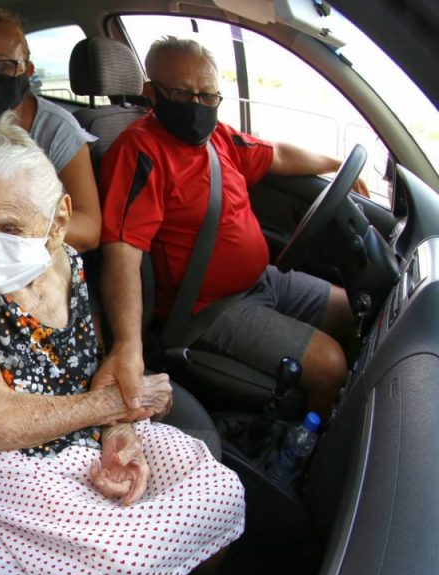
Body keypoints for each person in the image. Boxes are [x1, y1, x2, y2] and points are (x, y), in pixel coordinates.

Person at [0, 113, 249, 575]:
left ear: (58, 223)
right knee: (125, 555)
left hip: (79, 425)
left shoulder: (69, 263)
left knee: (219, 489)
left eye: (9, 226)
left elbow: (89, 363)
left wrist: (118, 436)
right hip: (2, 459)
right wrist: (118, 409)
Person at [99, 36, 366, 416]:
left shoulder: (217, 136)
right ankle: (310, 453)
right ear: (151, 93)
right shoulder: (139, 151)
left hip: (263, 280)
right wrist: (128, 343)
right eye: (182, 93)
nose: (197, 105)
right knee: (330, 365)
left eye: (208, 96)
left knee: (354, 308)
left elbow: (277, 154)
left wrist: (335, 164)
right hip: (209, 311)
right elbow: (123, 253)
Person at [0, 10, 102, 252]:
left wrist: (14, 234)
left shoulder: (56, 128)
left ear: (28, 71)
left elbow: (88, 228)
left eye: (2, 66)